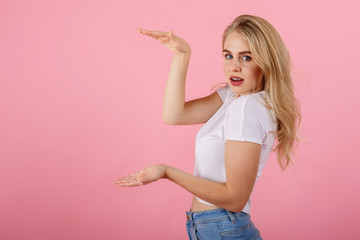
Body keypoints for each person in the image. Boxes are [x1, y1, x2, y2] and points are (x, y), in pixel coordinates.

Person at [114, 14, 301, 240]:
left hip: (223, 230)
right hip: (215, 229)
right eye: (228, 55)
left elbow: (235, 199)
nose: (234, 67)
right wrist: (182, 55)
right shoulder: (235, 97)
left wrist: (166, 172)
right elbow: (174, 114)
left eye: (246, 58)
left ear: (266, 62)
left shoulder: (247, 107)